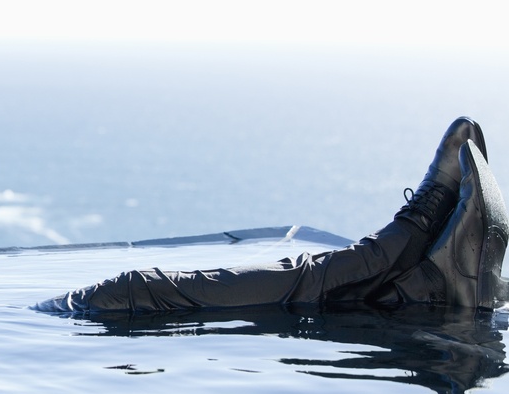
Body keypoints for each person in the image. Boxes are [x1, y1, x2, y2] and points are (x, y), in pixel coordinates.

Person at [37, 116, 509, 316]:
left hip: (56, 313)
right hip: (74, 315)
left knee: (131, 292)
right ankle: (408, 254)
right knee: (135, 291)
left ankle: (421, 276)